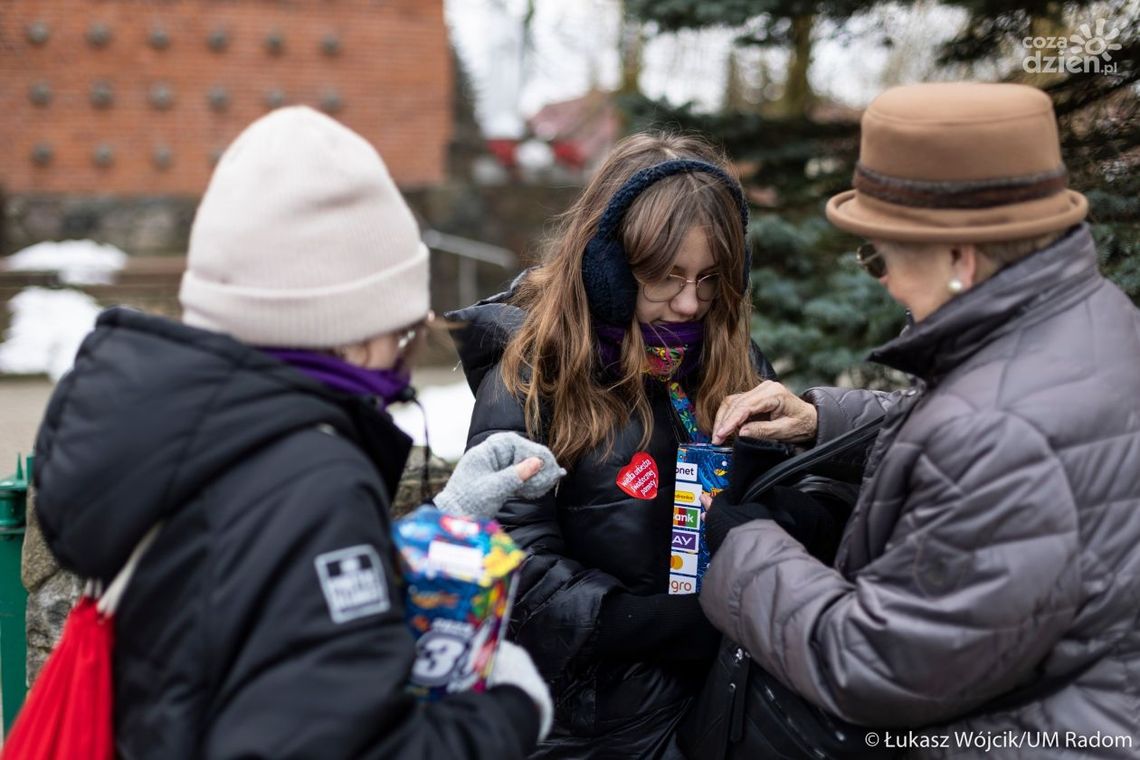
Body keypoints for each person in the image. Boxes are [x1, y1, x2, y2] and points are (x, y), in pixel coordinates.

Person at [31, 106, 558, 759]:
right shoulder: (309, 480)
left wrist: (445, 514)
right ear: (353, 323)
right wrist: (509, 709)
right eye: (401, 326)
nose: (407, 346)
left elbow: (257, 603)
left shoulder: (190, 437)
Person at [702, 82, 1140, 757]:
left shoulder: (1000, 433)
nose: (880, 280)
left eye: (879, 256)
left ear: (960, 261)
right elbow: (986, 416)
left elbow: (877, 667)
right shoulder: (1090, 314)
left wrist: (747, 551)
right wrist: (821, 419)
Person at [447, 133, 847, 758]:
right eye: (666, 278)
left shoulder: (731, 361)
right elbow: (511, 562)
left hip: (721, 703)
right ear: (607, 270)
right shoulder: (531, 377)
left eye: (710, 279)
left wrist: (780, 520)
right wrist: (662, 626)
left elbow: (801, 492)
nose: (690, 303)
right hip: (590, 730)